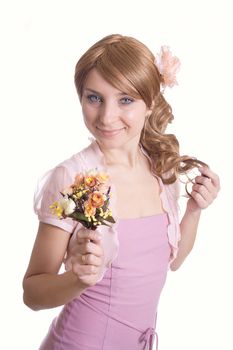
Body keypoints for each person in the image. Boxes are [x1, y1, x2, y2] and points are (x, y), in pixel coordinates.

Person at [22, 34, 220, 350]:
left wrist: (194, 210)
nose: (106, 117)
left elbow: (172, 260)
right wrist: (78, 279)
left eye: (125, 99)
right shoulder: (75, 179)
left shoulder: (159, 169)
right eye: (94, 98)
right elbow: (32, 294)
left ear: (151, 101)